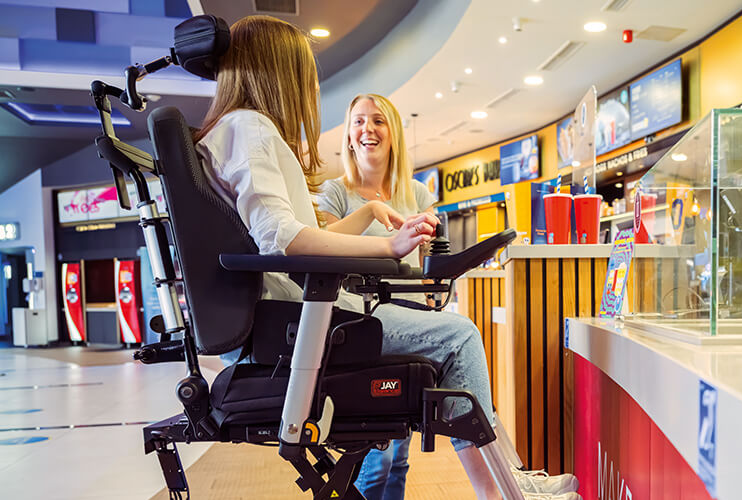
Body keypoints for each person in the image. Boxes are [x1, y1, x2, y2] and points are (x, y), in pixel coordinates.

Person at [191, 16, 578, 500]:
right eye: (305, 74)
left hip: (293, 313)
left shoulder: (239, 130)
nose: (311, 87)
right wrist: (386, 245)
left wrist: (377, 218)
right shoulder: (252, 130)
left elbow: (293, 235)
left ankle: (505, 486)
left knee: (452, 346)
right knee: (460, 336)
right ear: (279, 70)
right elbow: (282, 237)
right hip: (297, 320)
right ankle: (505, 489)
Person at [316, 93, 580, 499]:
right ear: (348, 137)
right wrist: (370, 212)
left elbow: (425, 272)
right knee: (380, 459)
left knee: (400, 454)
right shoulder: (335, 193)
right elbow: (321, 247)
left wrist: (436, 276)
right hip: (359, 316)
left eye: (378, 121)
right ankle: (500, 485)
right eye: (358, 122)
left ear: (394, 134)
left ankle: (506, 475)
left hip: (408, 317)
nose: (367, 129)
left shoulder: (418, 194)